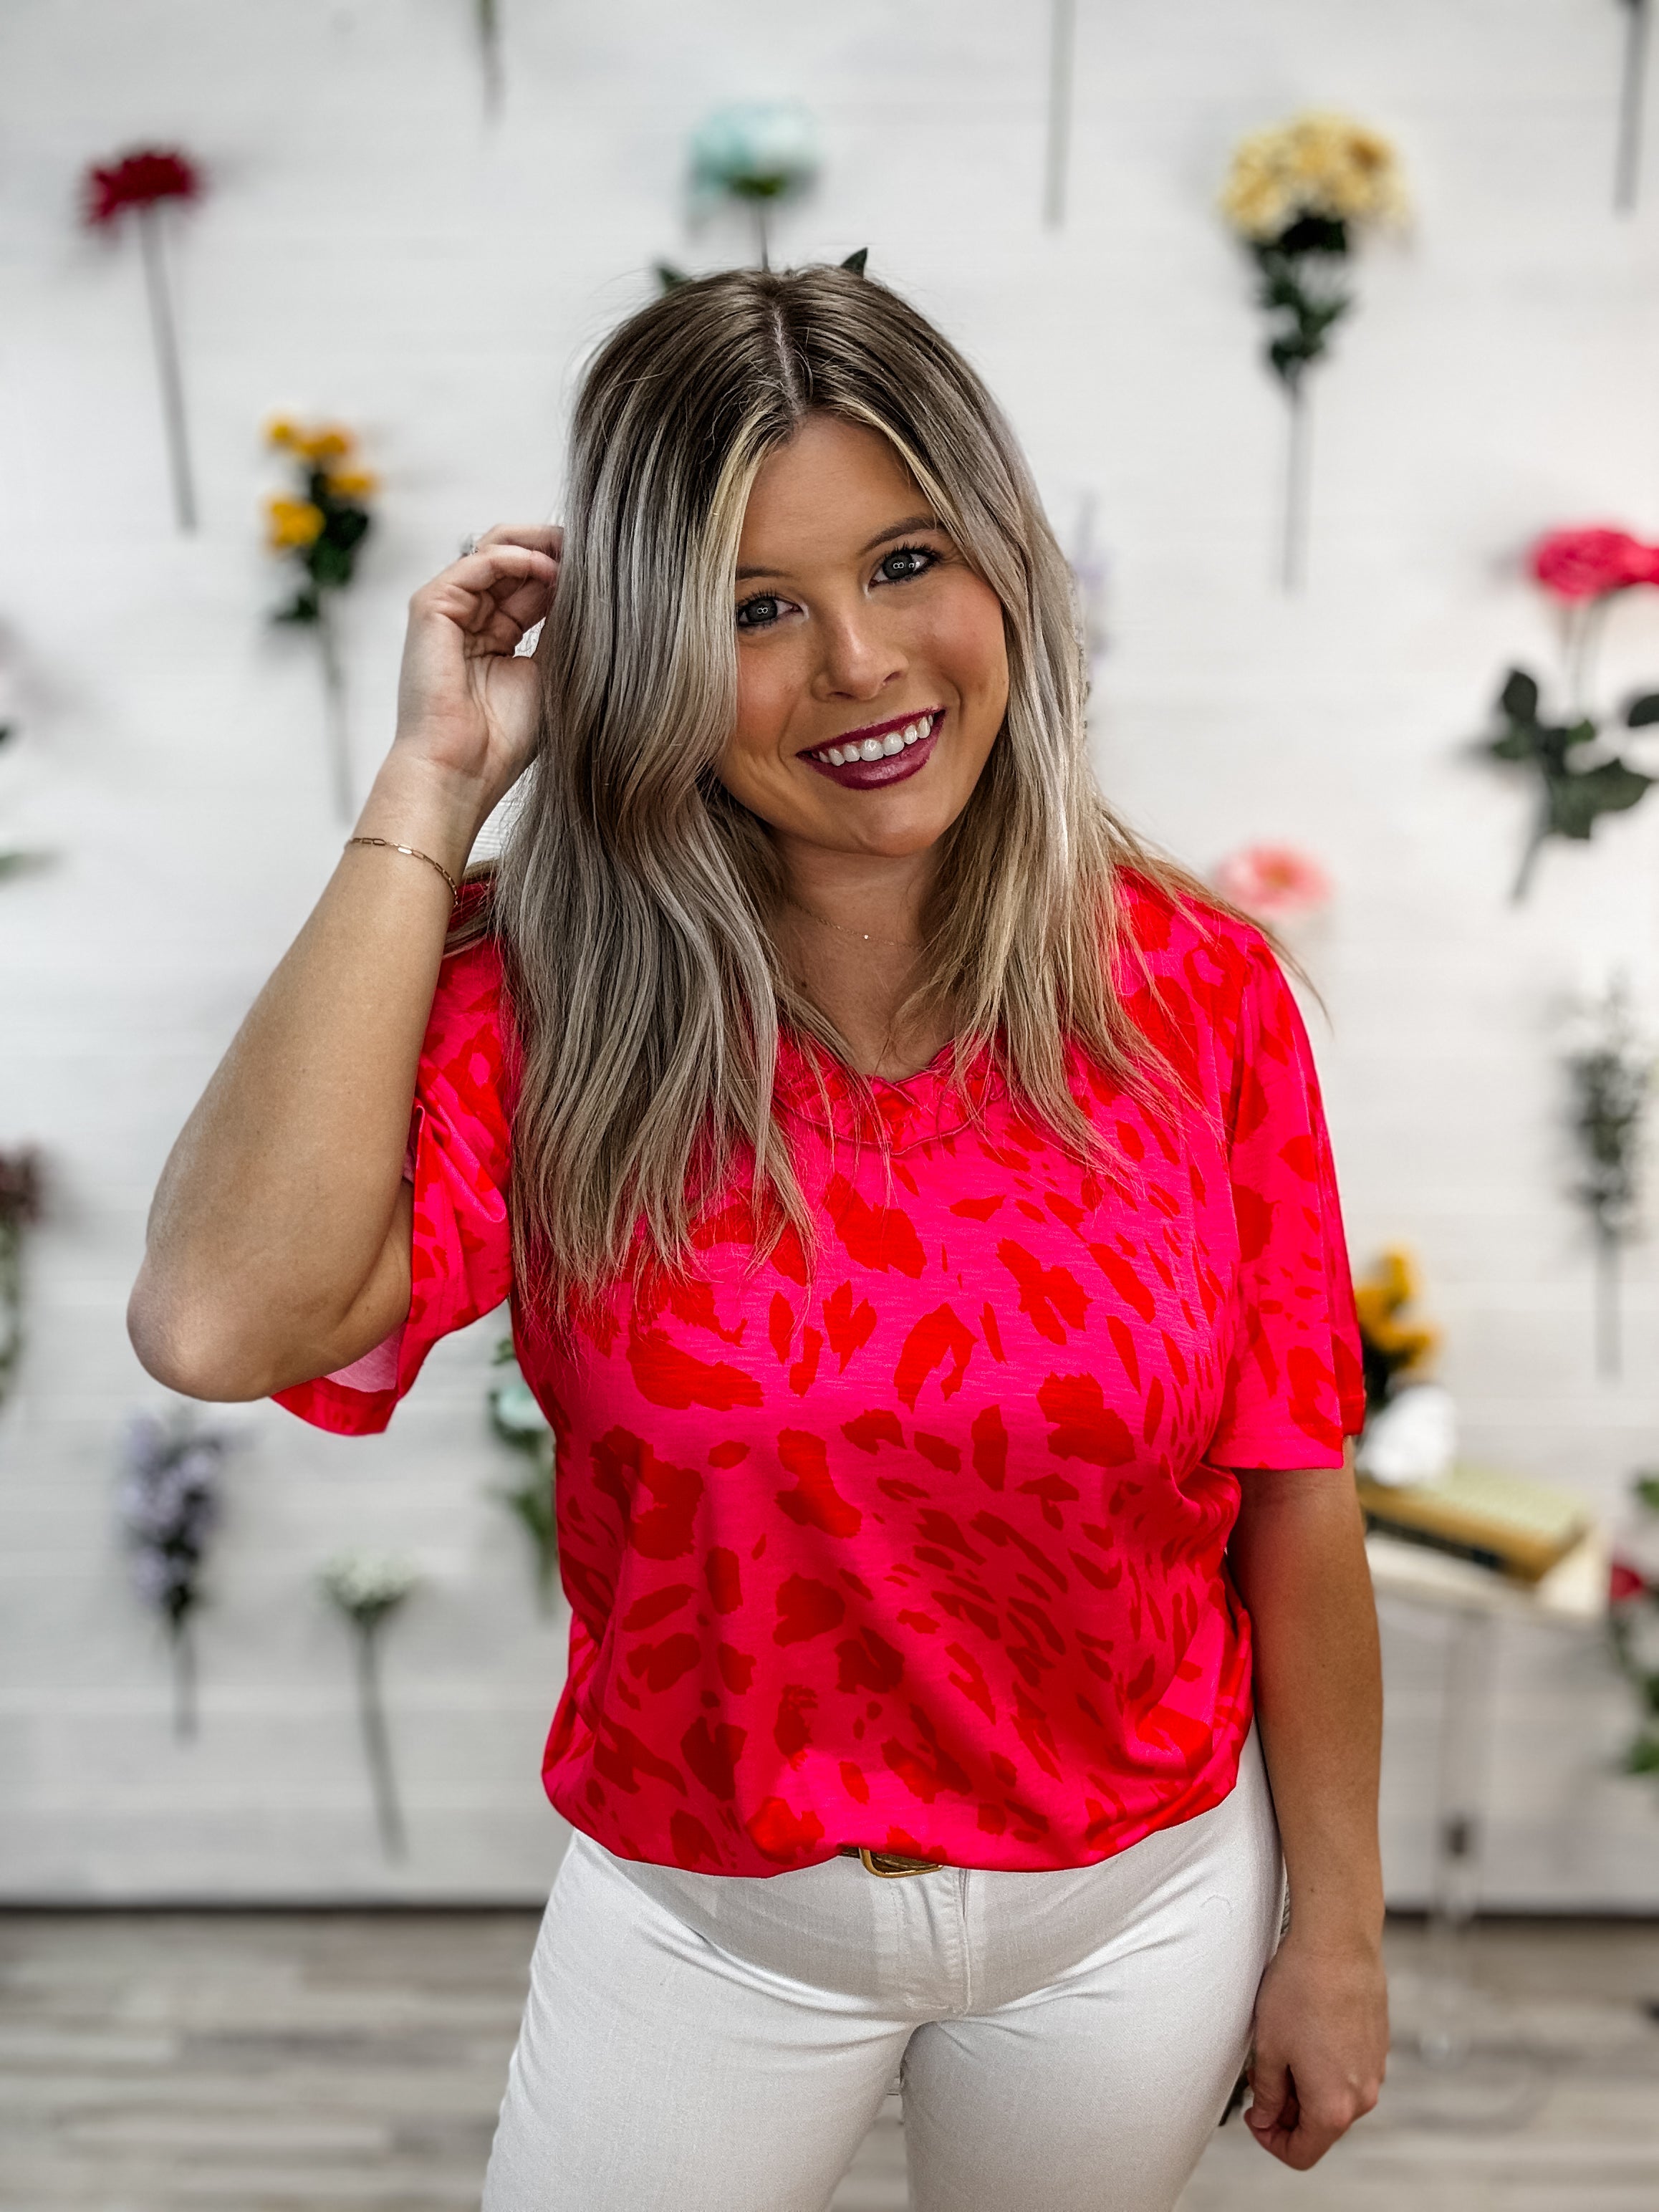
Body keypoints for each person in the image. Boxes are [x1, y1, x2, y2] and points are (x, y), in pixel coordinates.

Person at [130, 264, 1387, 2212]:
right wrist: (431, 785)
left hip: (1136, 1921)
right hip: (708, 1936)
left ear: (1004, 568)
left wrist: (1340, 1931)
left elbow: (1292, 1486)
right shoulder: (546, 1006)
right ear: (646, 655)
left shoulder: (1194, 990)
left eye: (906, 563)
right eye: (751, 608)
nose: (861, 663)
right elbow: (218, 1320)